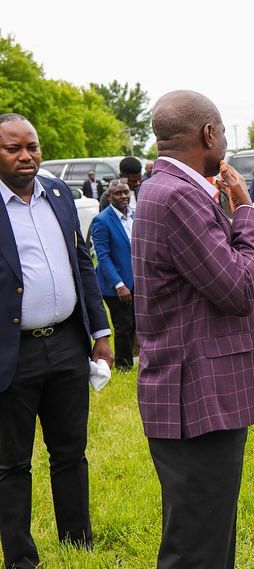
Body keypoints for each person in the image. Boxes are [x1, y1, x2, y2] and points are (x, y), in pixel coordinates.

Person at [132, 90, 254, 569]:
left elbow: (202, 285)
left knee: (208, 533)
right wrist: (246, 210)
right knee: (197, 547)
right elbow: (235, 287)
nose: (225, 140)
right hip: (197, 396)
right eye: (223, 131)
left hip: (195, 388)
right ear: (209, 134)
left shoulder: (166, 188)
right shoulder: (179, 195)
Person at [0, 113, 114, 569]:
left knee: (70, 452)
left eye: (32, 146)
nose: (26, 156)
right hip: (12, 353)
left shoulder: (59, 193)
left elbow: (82, 262)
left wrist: (100, 332)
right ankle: (20, 558)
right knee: (11, 463)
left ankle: (77, 542)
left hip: (67, 344)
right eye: (13, 149)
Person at [91, 181, 136, 370]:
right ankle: (123, 366)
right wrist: (119, 284)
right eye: (118, 194)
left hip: (136, 281)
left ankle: (133, 359)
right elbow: (103, 256)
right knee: (124, 326)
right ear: (109, 197)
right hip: (115, 285)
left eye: (125, 192)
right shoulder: (102, 220)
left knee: (135, 323)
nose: (123, 196)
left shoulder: (135, 215)